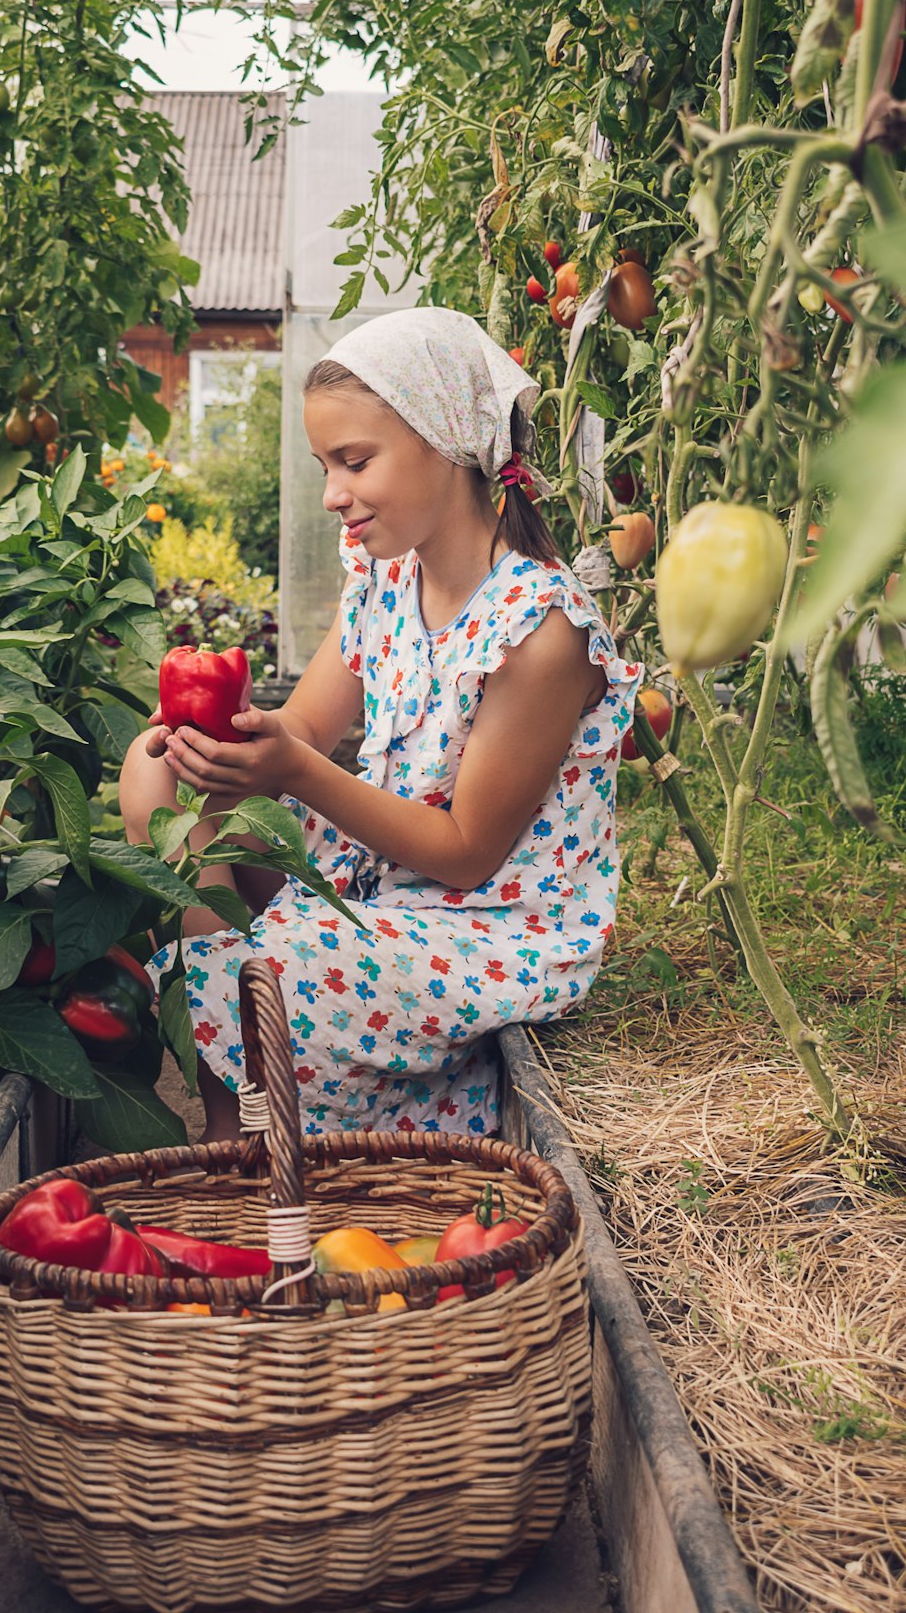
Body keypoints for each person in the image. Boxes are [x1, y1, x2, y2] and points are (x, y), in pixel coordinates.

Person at [119, 306, 641, 1142]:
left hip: (481, 923)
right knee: (157, 774)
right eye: (325, 465)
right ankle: (238, 1112)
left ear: (445, 441)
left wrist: (290, 770)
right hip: (377, 882)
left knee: (281, 968)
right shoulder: (384, 578)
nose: (333, 495)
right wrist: (220, 738)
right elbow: (302, 726)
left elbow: (467, 852)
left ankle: (244, 1126)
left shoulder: (539, 630)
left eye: (354, 461)